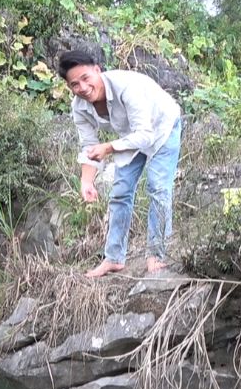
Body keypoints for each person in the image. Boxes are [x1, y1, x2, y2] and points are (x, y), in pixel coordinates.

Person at [57, 50, 183, 278]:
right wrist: (87, 181)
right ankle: (113, 258)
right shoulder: (79, 107)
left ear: (97, 70)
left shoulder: (126, 86)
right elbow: (89, 146)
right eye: (75, 84)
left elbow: (145, 135)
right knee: (120, 193)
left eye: (86, 78)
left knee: (158, 188)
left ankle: (158, 254)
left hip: (162, 126)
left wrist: (108, 148)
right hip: (130, 136)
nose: (83, 88)